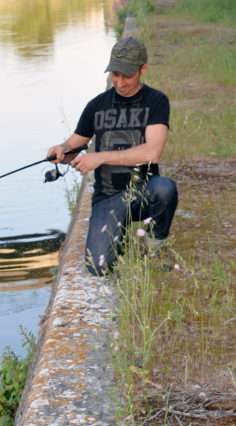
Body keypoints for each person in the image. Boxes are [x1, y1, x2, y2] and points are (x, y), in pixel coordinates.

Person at [47, 36, 178, 275]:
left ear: (142, 69)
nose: (119, 82)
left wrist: (100, 157)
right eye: (115, 74)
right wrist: (60, 151)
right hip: (107, 198)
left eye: (126, 75)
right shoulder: (96, 105)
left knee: (166, 189)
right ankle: (119, 234)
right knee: (99, 268)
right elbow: (75, 143)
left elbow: (152, 152)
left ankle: (154, 246)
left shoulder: (156, 101)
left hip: (143, 191)